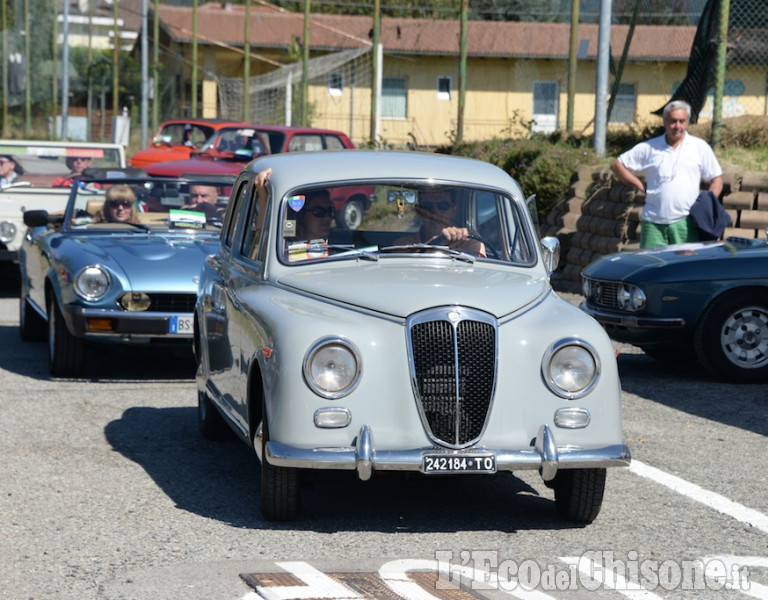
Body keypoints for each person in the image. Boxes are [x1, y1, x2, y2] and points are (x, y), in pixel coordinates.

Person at [610, 100, 723, 248]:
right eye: (673, 121)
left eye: (682, 121)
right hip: (653, 223)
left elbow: (717, 179)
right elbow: (617, 165)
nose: (678, 126)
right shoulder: (649, 147)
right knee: (653, 268)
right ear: (664, 121)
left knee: (684, 268)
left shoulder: (699, 147)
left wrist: (707, 203)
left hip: (686, 222)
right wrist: (639, 185)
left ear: (688, 122)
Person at [394, 189, 486, 257]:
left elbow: (475, 272)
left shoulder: (467, 239)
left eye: (443, 205)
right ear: (419, 211)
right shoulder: (404, 244)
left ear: (454, 210)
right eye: (428, 206)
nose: (435, 212)